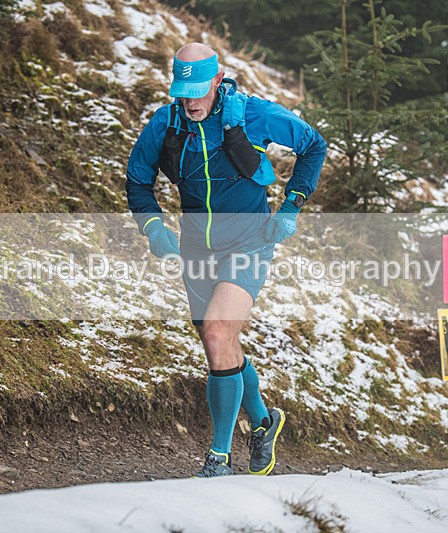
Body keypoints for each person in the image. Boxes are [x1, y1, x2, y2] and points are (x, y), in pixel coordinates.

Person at [125, 42, 326, 478]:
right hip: (197, 247)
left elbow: (314, 145)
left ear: (218, 80)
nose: (192, 99)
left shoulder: (252, 114)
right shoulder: (165, 124)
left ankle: (219, 458)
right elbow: (137, 181)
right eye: (184, 90)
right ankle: (264, 423)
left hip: (250, 239)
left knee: (218, 332)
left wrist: (292, 204)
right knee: (219, 344)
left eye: (200, 88)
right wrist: (153, 228)